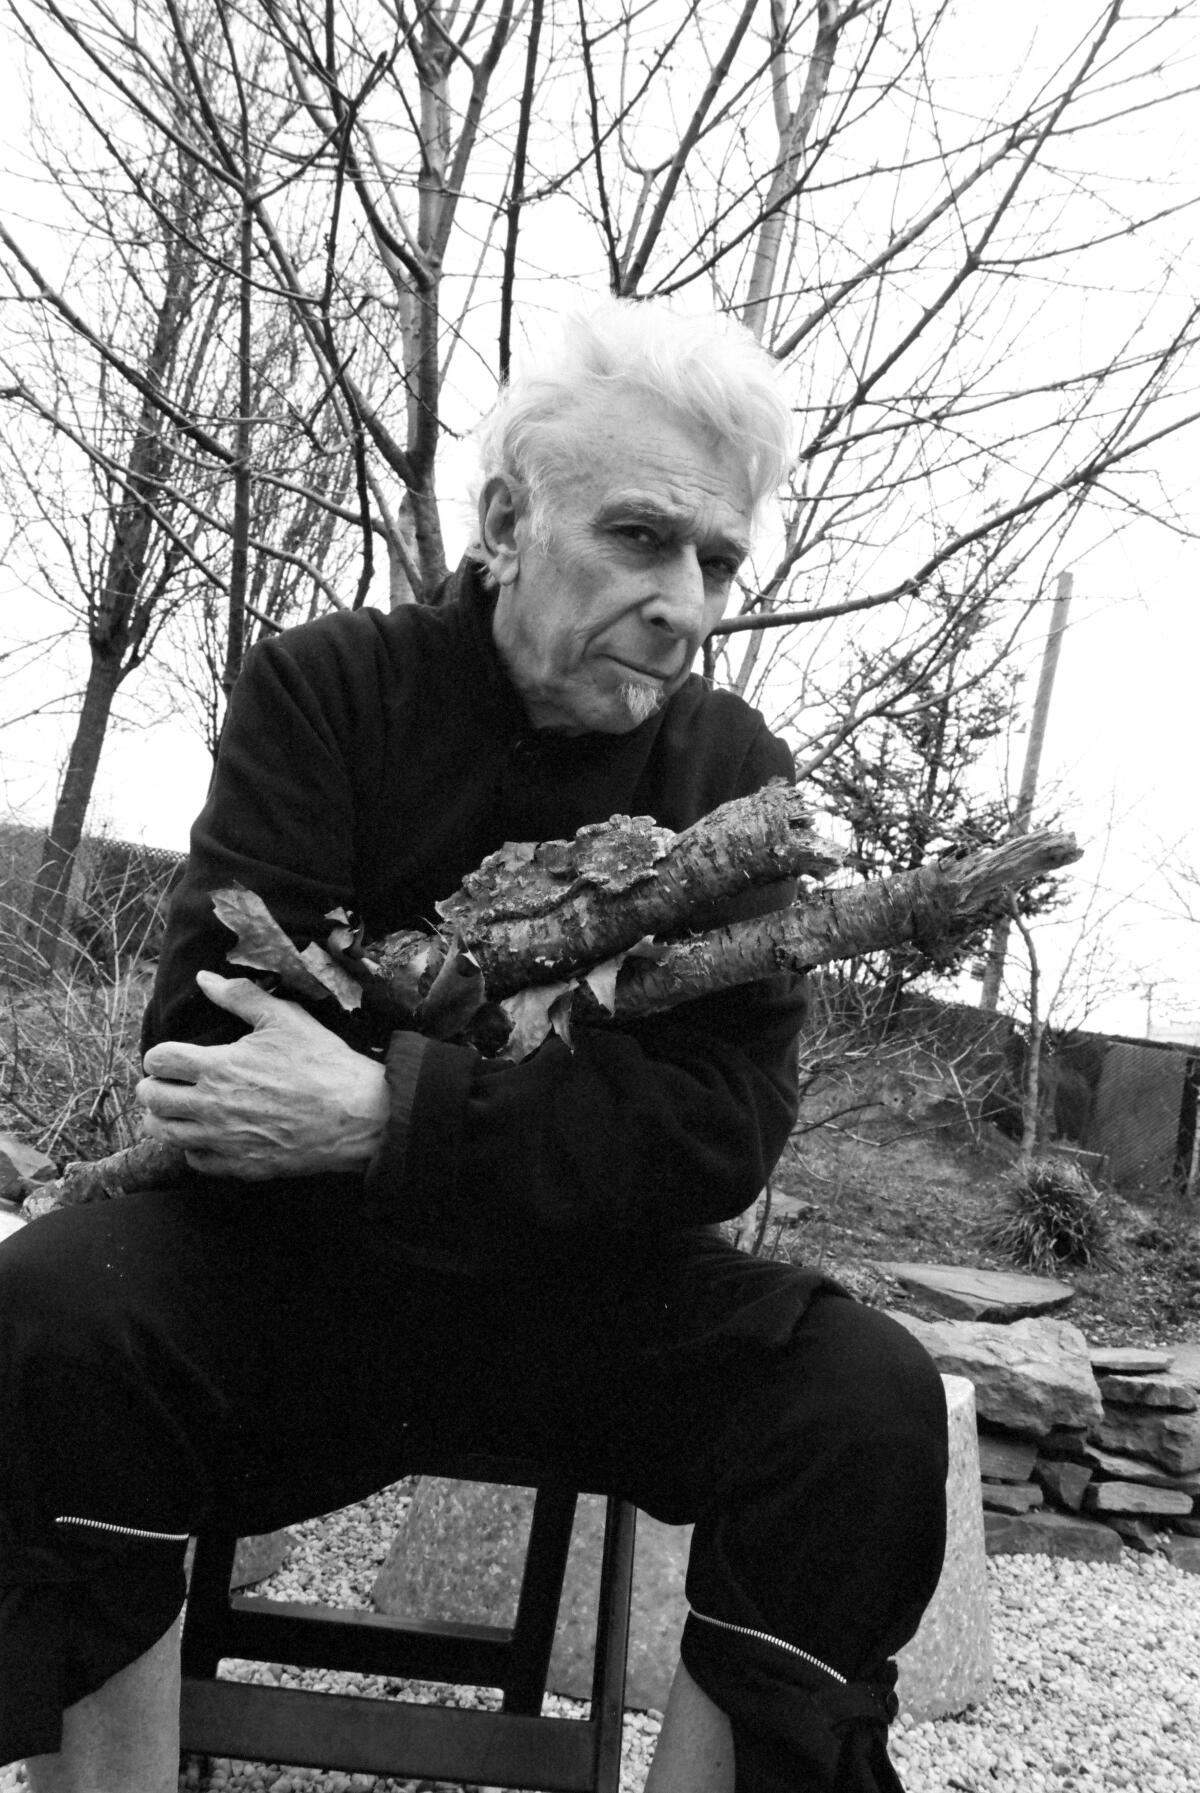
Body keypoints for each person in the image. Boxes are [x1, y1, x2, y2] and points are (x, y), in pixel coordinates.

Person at [0, 296, 948, 1793]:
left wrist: (390, 1112)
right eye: (642, 540)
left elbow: (714, 1132)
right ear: (508, 516)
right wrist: (552, 1096)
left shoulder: (730, 779)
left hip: (581, 1313)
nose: (689, 604)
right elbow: (207, 1048)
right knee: (56, 1305)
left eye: (717, 562)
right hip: (293, 1291)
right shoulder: (329, 691)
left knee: (865, 1401)